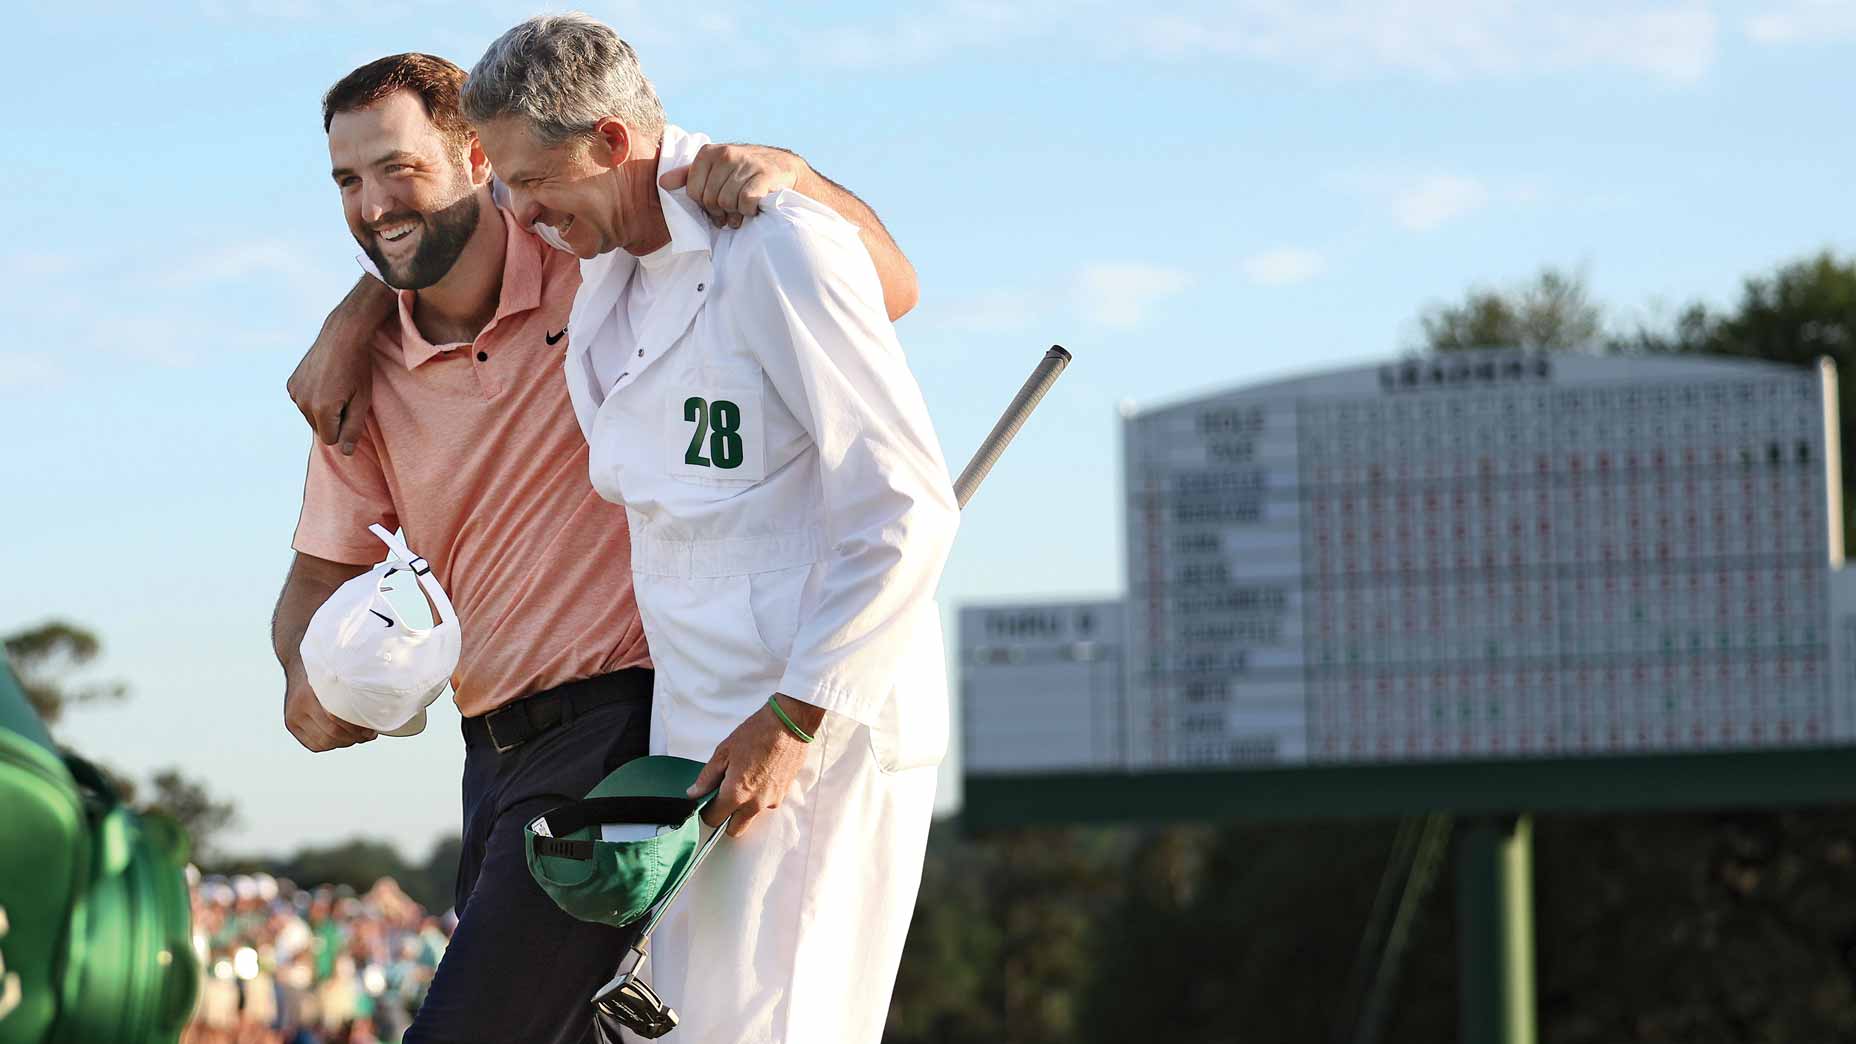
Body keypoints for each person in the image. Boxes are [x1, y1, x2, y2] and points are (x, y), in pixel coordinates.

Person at [274, 52, 920, 1044]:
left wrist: (794, 176)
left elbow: (885, 286)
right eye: (348, 181)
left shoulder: (590, 253)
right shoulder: (359, 373)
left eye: (399, 168)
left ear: (478, 161)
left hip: (619, 726)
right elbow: (322, 570)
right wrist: (304, 676)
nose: (373, 203)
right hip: (489, 754)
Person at [457, 15, 959, 1043]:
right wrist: (344, 331)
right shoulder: (600, 265)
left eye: (532, 181)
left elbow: (906, 502)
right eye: (505, 186)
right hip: (691, 728)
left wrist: (796, 721)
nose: (521, 212)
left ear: (610, 139)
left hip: (810, 721)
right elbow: (429, 250)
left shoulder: (780, 244)